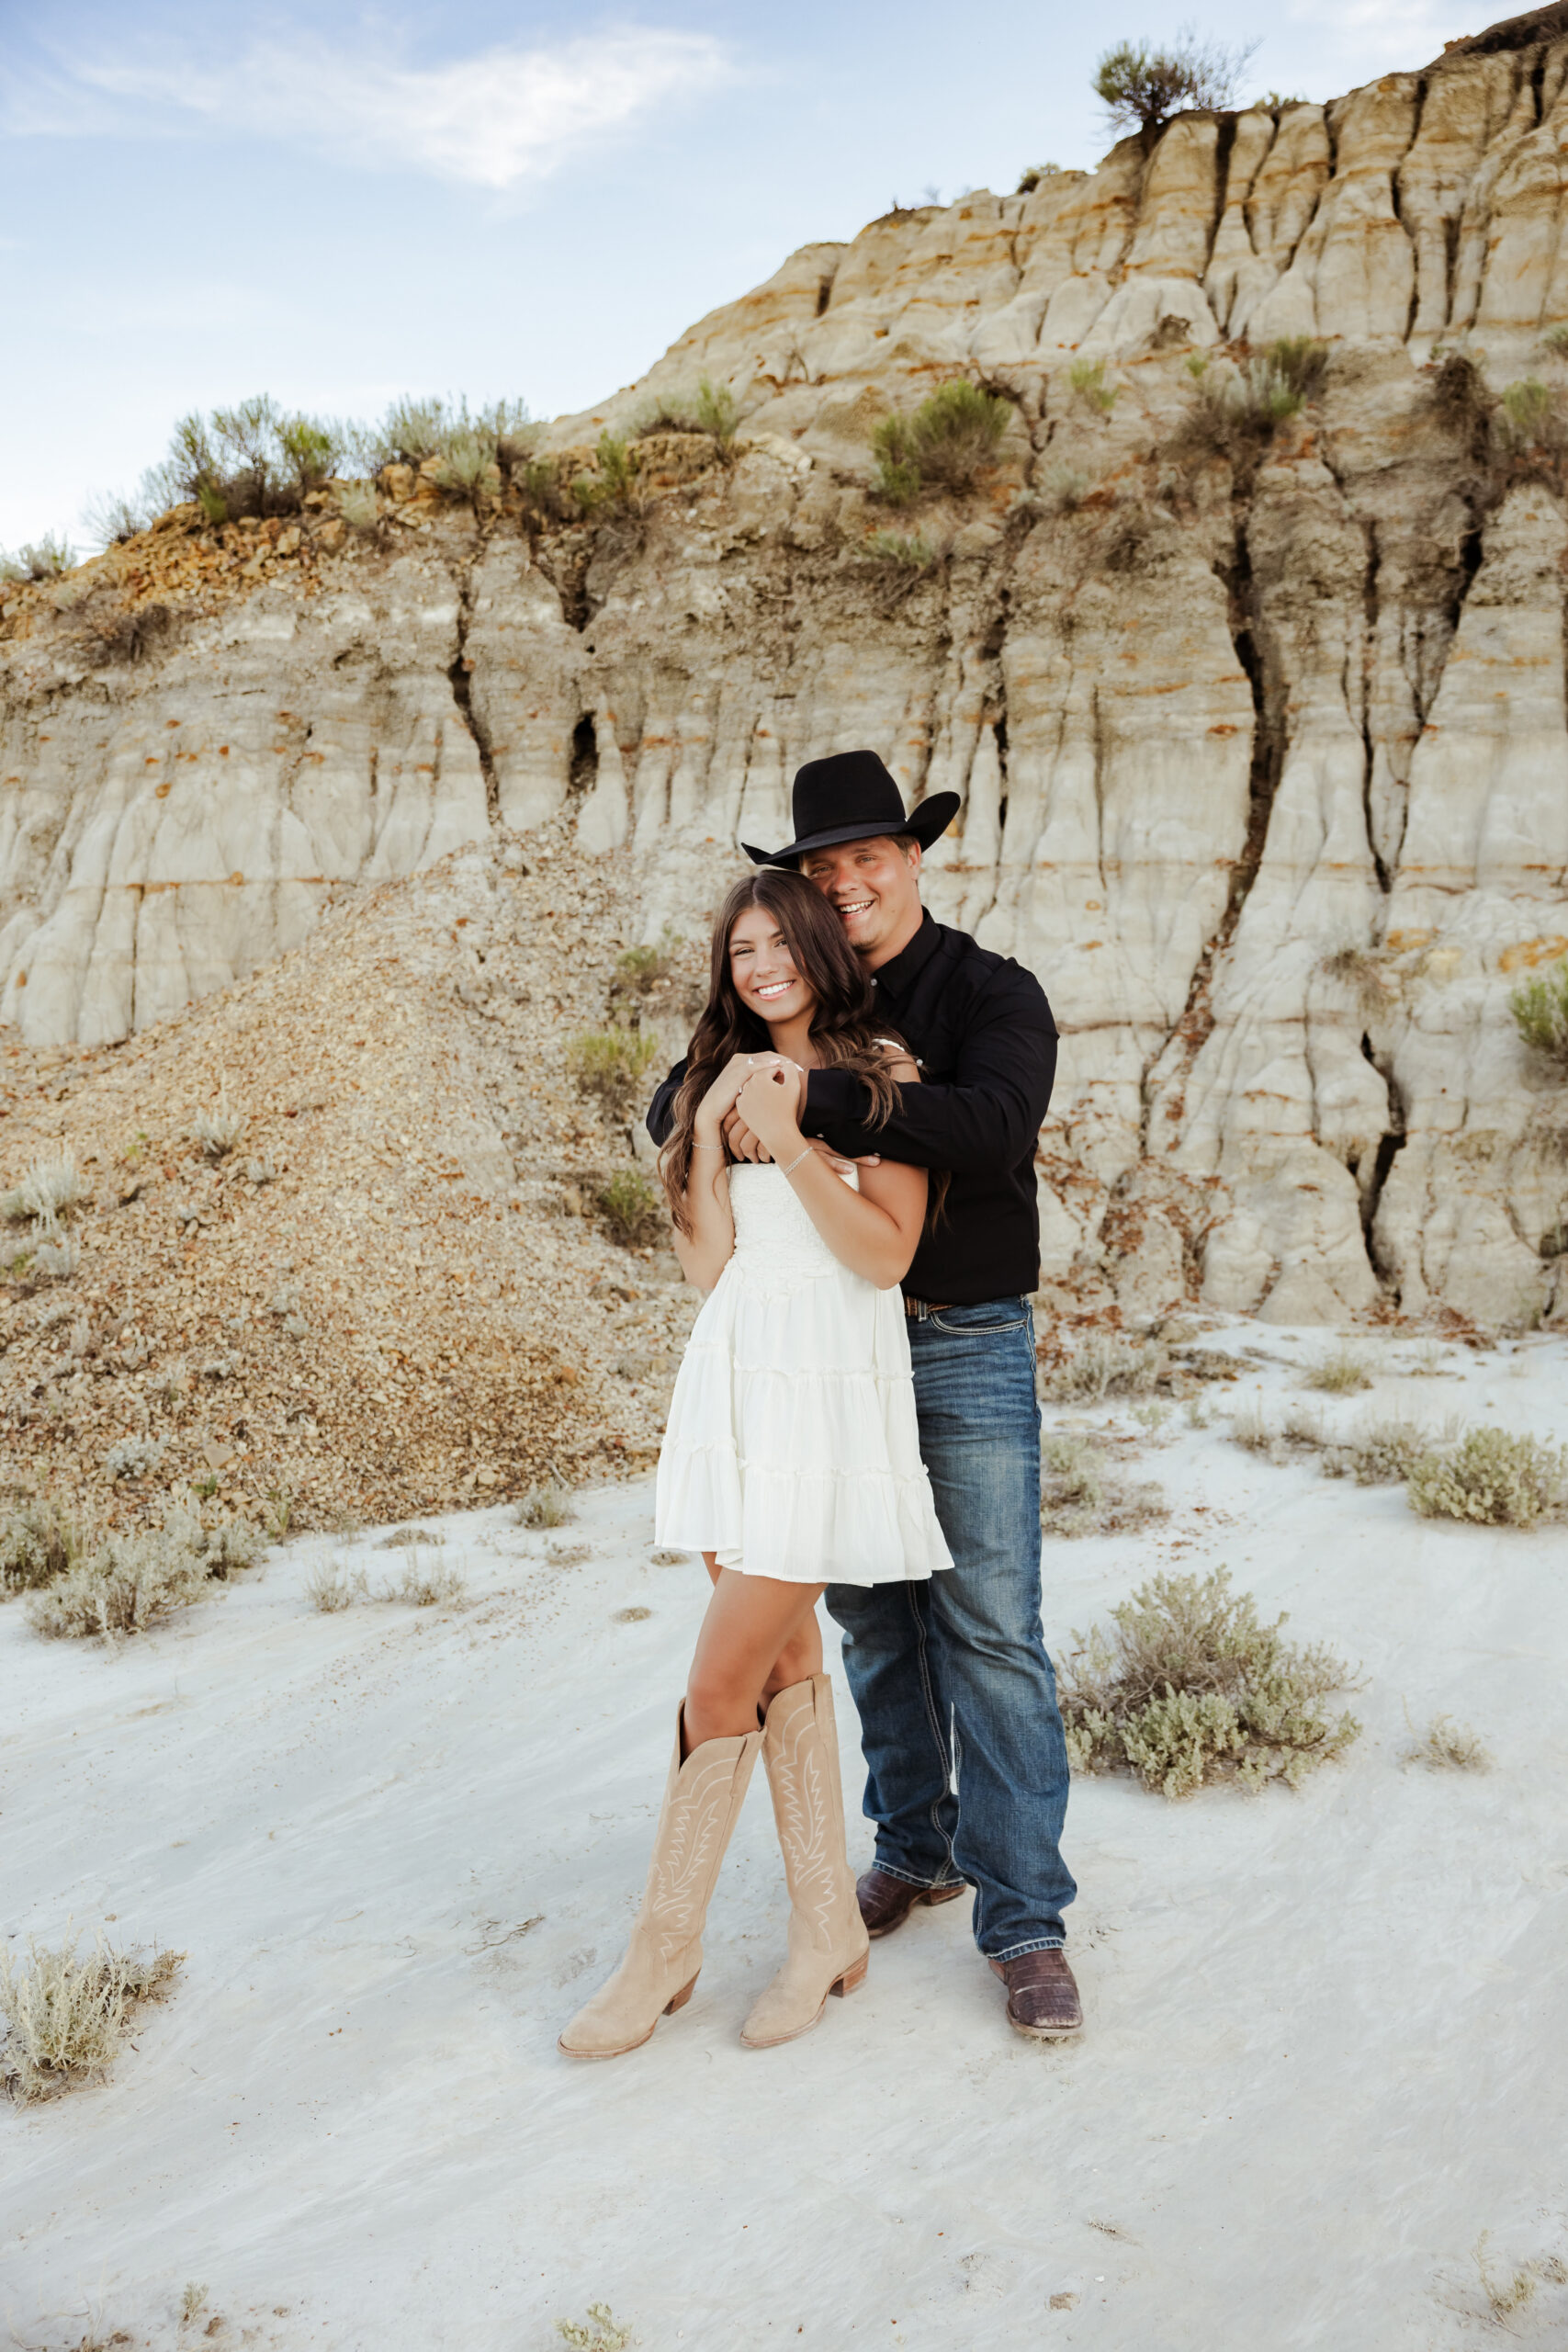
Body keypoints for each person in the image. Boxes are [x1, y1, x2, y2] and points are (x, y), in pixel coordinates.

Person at [647, 749, 1082, 2040]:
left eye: (867, 860)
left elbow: (990, 1129)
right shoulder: (790, 996)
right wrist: (718, 1093)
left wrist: (812, 1100)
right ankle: (914, 1844)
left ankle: (1025, 1922)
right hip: (832, 1351)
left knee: (991, 1628)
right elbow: (688, 1088)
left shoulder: (991, 994)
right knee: (877, 1624)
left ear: (914, 858)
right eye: (821, 870)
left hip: (957, 1337)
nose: (846, 885)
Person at [558, 866, 952, 2062]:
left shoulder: (882, 1073)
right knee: (780, 1661)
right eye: (741, 951)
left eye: (781, 941)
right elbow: (707, 1271)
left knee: (716, 1688)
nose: (762, 964)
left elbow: (884, 1256)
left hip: (829, 1395)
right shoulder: (704, 1081)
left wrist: (788, 1132)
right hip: (736, 1381)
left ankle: (661, 1950)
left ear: (820, 949)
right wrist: (709, 1133)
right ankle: (828, 1929)